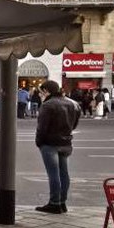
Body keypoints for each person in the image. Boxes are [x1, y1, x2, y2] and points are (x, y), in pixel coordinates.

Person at [34, 81, 80, 214]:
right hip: (66, 143)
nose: (40, 94)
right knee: (64, 173)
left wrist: (39, 142)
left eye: (41, 92)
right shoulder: (73, 104)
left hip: (50, 143)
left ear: (47, 91)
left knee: (53, 174)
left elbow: (42, 127)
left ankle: (54, 203)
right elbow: (74, 125)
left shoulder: (47, 105)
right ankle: (62, 202)